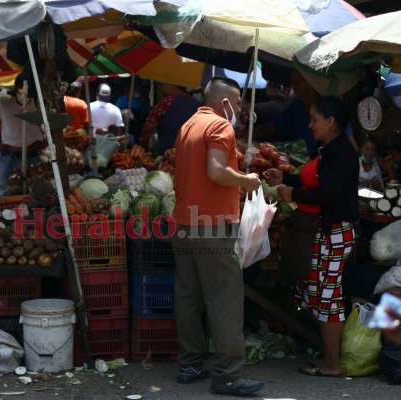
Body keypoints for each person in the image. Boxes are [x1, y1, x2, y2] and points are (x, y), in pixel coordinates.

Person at [171, 76, 263, 396]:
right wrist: (246, 180)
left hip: (184, 224)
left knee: (189, 297)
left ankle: (190, 363)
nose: (239, 108)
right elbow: (216, 171)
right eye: (237, 102)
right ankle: (227, 375)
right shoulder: (221, 127)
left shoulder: (187, 127)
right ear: (224, 102)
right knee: (224, 299)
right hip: (212, 226)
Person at [263, 96, 359, 378]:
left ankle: (332, 364)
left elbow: (328, 194)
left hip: (334, 232)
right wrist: (284, 180)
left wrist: (294, 194)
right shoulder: (326, 148)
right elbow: (310, 181)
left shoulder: (342, 152)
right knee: (319, 294)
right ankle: (328, 354)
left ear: (331, 121)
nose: (310, 124)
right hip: (322, 232)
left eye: (315, 119)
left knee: (327, 297)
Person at [246, 70, 358, 155]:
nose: (292, 86)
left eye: (296, 82)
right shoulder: (295, 108)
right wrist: (244, 133)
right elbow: (270, 127)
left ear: (309, 83)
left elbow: (352, 147)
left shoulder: (329, 108)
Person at [0, 74, 45, 189]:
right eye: (21, 87)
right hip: (9, 156)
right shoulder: (3, 106)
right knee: (4, 189)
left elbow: (48, 124)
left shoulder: (38, 105)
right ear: (16, 87)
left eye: (27, 87)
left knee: (36, 189)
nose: (24, 90)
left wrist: (45, 139)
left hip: (32, 154)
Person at [140, 83, 199, 154]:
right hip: (193, 153)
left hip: (169, 154)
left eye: (161, 84)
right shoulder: (196, 102)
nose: (161, 88)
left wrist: (144, 146)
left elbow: (147, 130)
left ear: (168, 84)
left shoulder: (164, 103)